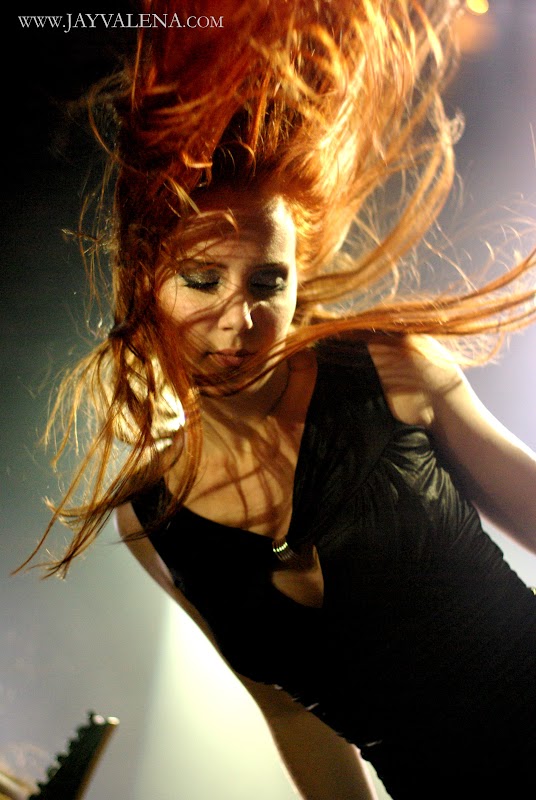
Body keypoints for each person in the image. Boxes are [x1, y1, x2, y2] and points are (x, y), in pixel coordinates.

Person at [19, 1, 536, 797]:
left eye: (268, 282)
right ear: (146, 281)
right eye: (203, 280)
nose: (241, 319)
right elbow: (291, 717)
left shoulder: (387, 369)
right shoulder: (151, 519)